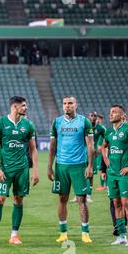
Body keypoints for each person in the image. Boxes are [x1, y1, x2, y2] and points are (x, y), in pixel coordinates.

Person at [0, 96, 39, 245]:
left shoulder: (28, 125)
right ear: (14, 107)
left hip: (22, 169)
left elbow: (33, 149)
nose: (25, 108)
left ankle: (14, 235)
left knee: (18, 199)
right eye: (23, 106)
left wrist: (35, 171)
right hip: (5, 169)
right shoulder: (1, 123)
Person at [48, 96, 94, 244]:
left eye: (70, 103)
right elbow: (53, 146)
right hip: (61, 166)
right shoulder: (57, 122)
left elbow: (90, 145)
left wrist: (90, 165)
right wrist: (49, 166)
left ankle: (85, 233)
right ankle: (63, 233)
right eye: (64, 104)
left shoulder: (84, 122)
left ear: (76, 105)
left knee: (82, 199)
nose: (67, 106)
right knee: (62, 199)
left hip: (79, 165)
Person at [101, 105, 128, 246]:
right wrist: (106, 161)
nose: (111, 114)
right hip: (112, 174)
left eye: (114, 112)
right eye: (110, 112)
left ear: (122, 115)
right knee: (116, 203)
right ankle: (121, 236)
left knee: (126, 203)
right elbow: (103, 146)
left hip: (124, 174)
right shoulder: (108, 132)